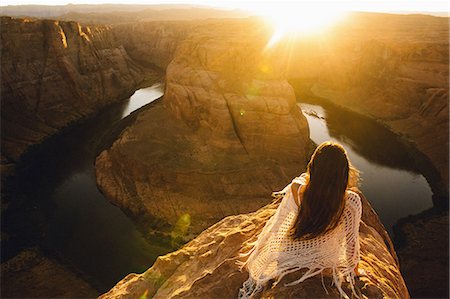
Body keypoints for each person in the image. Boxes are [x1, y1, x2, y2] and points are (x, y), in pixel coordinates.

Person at [238, 141, 362, 299]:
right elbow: (351, 244)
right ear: (343, 173)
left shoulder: (297, 188)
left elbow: (279, 223)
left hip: (289, 253)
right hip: (323, 262)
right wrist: (355, 271)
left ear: (314, 166)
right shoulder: (351, 201)